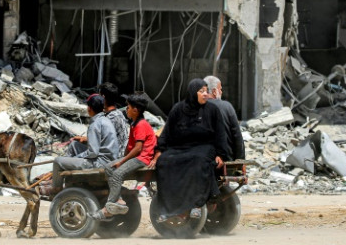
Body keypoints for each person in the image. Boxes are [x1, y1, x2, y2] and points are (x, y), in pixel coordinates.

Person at [150, 78, 229, 222]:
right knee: (164, 162)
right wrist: (159, 150)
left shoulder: (212, 110)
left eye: (206, 91)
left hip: (203, 147)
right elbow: (166, 132)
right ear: (193, 93)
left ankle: (196, 205)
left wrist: (221, 155)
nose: (205, 94)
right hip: (180, 148)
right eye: (201, 91)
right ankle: (167, 208)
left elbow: (220, 134)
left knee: (198, 161)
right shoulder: (178, 109)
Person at [92, 93, 157, 220]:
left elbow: (138, 148)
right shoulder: (134, 123)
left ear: (135, 110)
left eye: (128, 107)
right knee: (109, 167)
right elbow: (130, 146)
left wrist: (122, 162)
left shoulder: (141, 125)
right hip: (137, 157)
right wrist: (121, 159)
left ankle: (108, 208)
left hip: (143, 158)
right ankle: (119, 199)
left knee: (117, 175)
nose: (126, 109)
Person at [51, 94, 118, 189]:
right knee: (75, 144)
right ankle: (68, 177)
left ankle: (56, 188)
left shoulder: (95, 124)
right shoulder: (106, 120)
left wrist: (77, 157)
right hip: (109, 159)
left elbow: (93, 152)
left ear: (89, 108)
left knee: (57, 161)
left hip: (100, 163)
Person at [204, 75, 246, 160]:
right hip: (226, 162)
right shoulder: (226, 107)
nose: (221, 92)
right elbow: (237, 136)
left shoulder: (195, 108)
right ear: (215, 91)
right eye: (220, 89)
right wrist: (241, 161)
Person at [99, 82, 129, 160]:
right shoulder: (117, 113)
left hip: (111, 158)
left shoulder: (112, 118)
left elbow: (99, 140)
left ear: (103, 97)